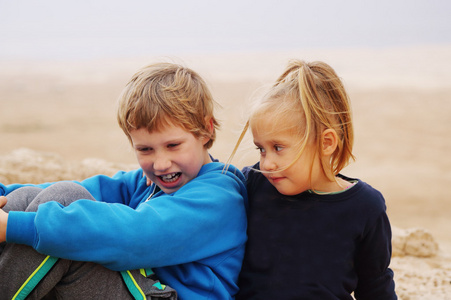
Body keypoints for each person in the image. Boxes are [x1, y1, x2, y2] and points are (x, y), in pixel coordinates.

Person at [0, 62, 248, 299]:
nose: (160, 163)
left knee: (64, 208)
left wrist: (15, 227)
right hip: (140, 287)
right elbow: (88, 190)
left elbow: (137, 237)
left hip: (165, 295)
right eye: (146, 150)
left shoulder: (219, 196)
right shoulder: (150, 183)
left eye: (173, 145)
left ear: (206, 130)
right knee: (52, 196)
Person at [232, 60, 397, 299]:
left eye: (278, 147)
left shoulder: (365, 207)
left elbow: (375, 283)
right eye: (261, 149)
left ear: (326, 143)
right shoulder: (253, 184)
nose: (266, 163)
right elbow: (207, 187)